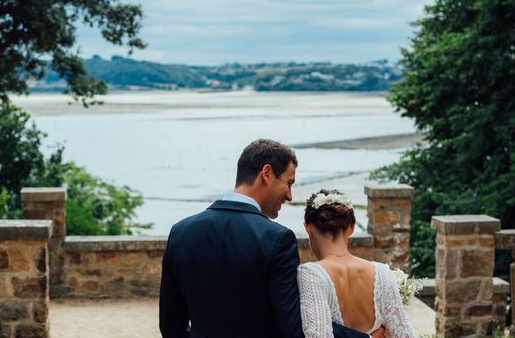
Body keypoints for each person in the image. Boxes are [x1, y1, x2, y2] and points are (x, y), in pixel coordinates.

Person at [159, 139, 376, 338]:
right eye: (289, 183)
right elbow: (294, 327)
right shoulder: (277, 239)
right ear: (267, 174)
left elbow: (170, 326)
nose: (290, 196)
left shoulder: (181, 232)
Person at [298, 190, 415, 338]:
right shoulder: (382, 272)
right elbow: (405, 334)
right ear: (352, 227)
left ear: (308, 228)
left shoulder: (311, 274)